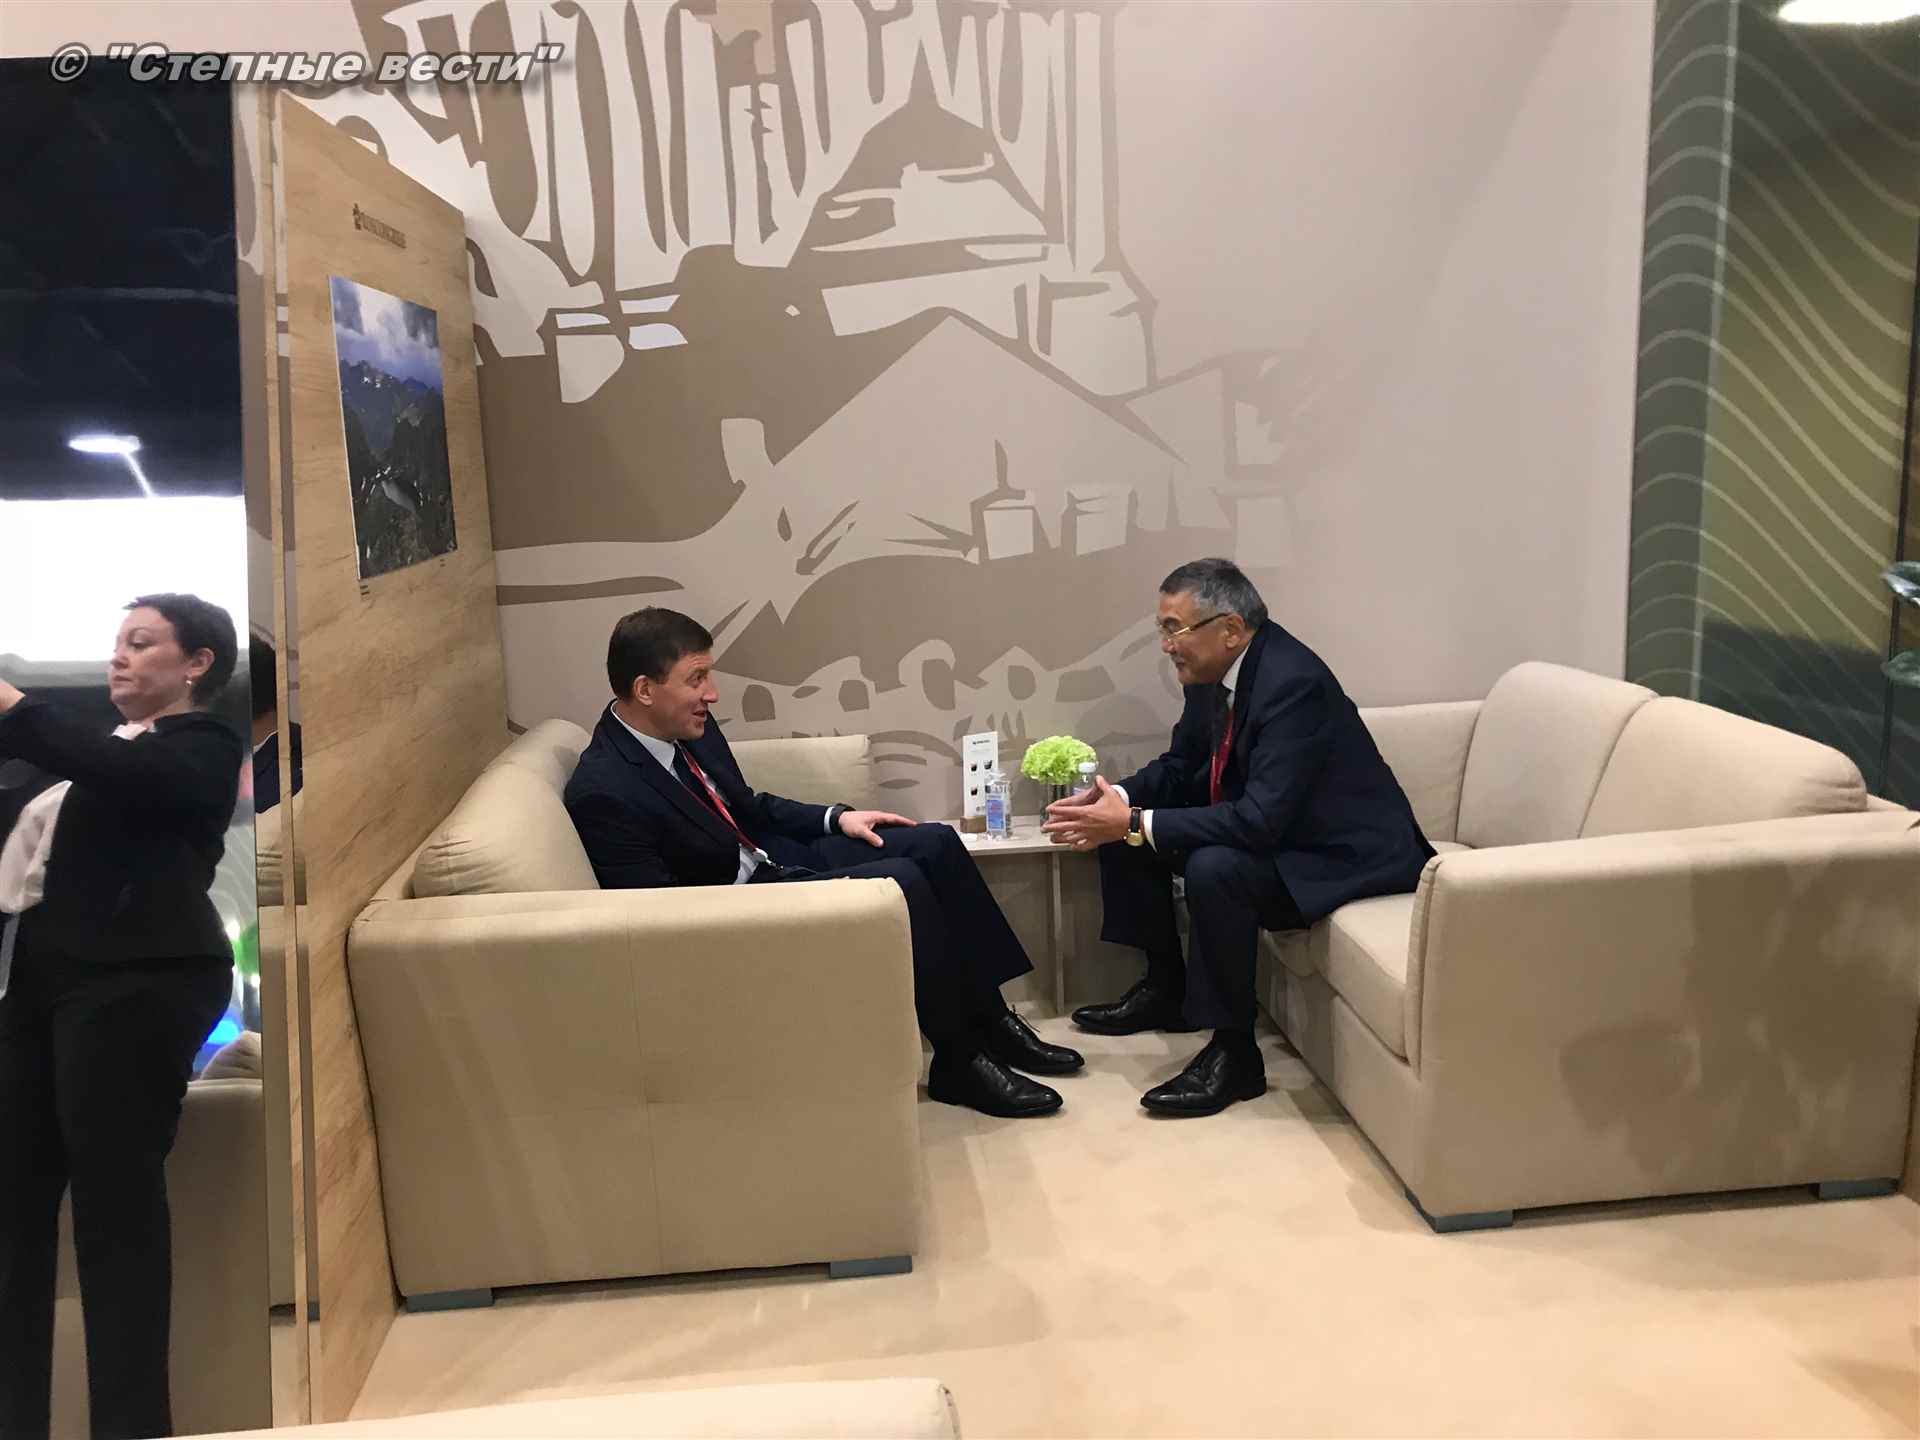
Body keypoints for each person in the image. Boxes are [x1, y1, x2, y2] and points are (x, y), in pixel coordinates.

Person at [563, 607, 1083, 1119]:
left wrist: (837, 819)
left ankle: (992, 1022)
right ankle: (959, 1059)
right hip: (735, 905)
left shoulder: (683, 724)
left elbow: (746, 805)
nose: (712, 693)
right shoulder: (605, 790)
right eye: (696, 678)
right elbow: (657, 917)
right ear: (645, 689)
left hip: (768, 854)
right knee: (899, 880)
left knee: (936, 843)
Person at [1042, 558, 1433, 1117]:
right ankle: (1166, 990)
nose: (1166, 645)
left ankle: (1235, 1054)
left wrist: (1131, 823)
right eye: (1162, 629)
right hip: (1287, 833)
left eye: (1174, 629)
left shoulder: (1292, 684)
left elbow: (1259, 821)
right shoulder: (1212, 674)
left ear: (1229, 629)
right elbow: (1181, 765)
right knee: (1129, 829)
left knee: (1213, 866)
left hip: (1346, 854)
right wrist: (1118, 802)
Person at [0, 593, 244, 1440]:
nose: (119, 656)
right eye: (117, 642)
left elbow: (129, 777)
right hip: (40, 987)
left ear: (197, 663)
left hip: (141, 981)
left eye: (141, 643)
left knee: (115, 1209)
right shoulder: (103, 754)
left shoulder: (202, 745)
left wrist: (17, 707)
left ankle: (131, 1426)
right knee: (13, 1209)